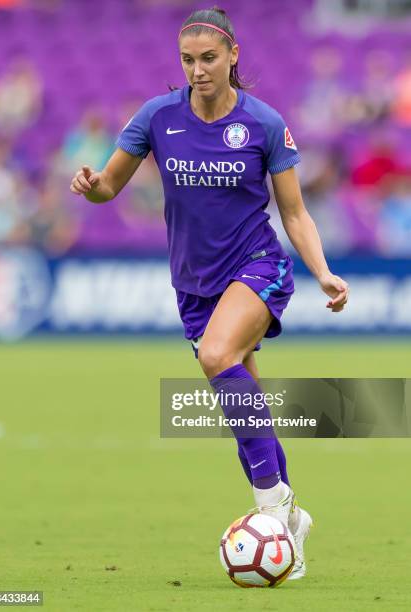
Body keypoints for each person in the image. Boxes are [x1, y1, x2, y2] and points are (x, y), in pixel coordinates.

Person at [70, 7, 349, 580]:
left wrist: (322, 271)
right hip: (193, 284)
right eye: (188, 61)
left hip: (256, 265)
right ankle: (290, 520)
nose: (197, 70)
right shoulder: (156, 117)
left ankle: (273, 510)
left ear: (233, 56)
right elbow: (110, 187)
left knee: (216, 357)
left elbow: (293, 212)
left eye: (208, 59)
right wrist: (94, 188)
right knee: (244, 398)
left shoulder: (265, 123)